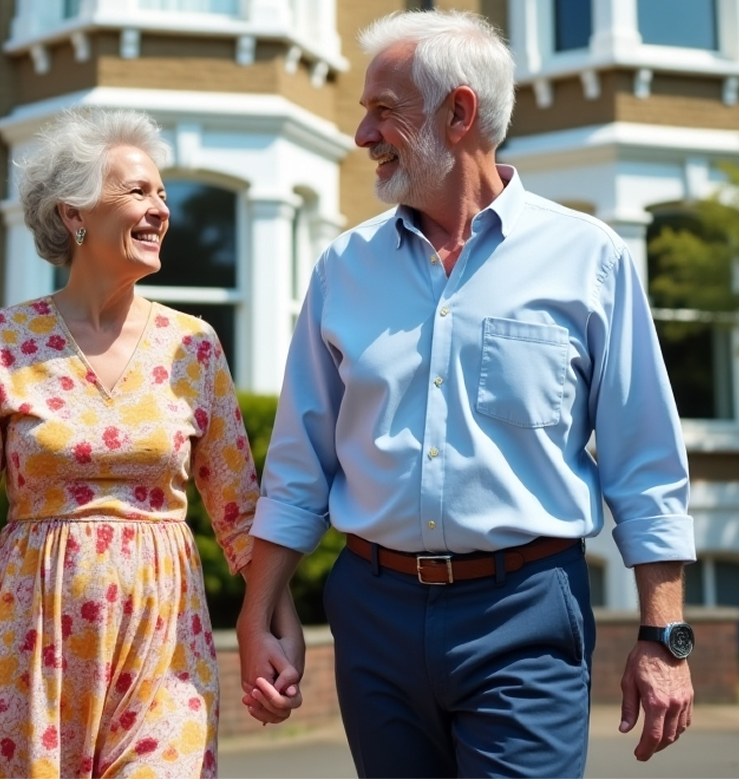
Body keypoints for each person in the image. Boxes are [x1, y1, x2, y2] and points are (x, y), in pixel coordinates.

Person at [237, 10, 698, 777]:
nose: (361, 134)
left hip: (524, 612)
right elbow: (297, 467)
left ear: (459, 113)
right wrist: (257, 615)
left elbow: (645, 463)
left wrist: (665, 635)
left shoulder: (590, 259)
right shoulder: (341, 268)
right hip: (373, 614)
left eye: (383, 110)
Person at [0, 108, 302, 779]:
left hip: (164, 644)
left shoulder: (194, 347)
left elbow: (240, 509)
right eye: (138, 191)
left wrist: (272, 621)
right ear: (75, 216)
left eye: (161, 194)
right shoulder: (2, 342)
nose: (160, 210)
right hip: (28, 641)